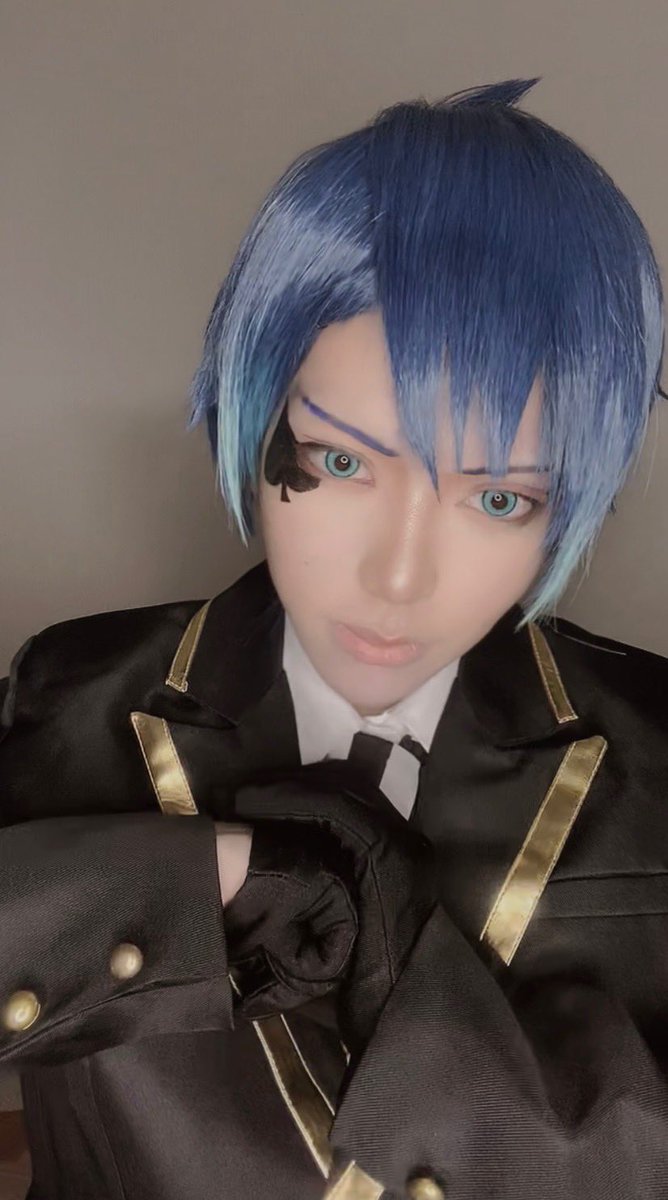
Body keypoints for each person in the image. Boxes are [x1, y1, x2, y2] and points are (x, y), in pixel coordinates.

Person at [1, 76, 667, 1200]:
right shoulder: (72, 693)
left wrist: (393, 959)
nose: (399, 578)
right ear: (258, 410)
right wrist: (199, 882)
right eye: (343, 462)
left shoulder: (652, 747)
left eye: (498, 499)